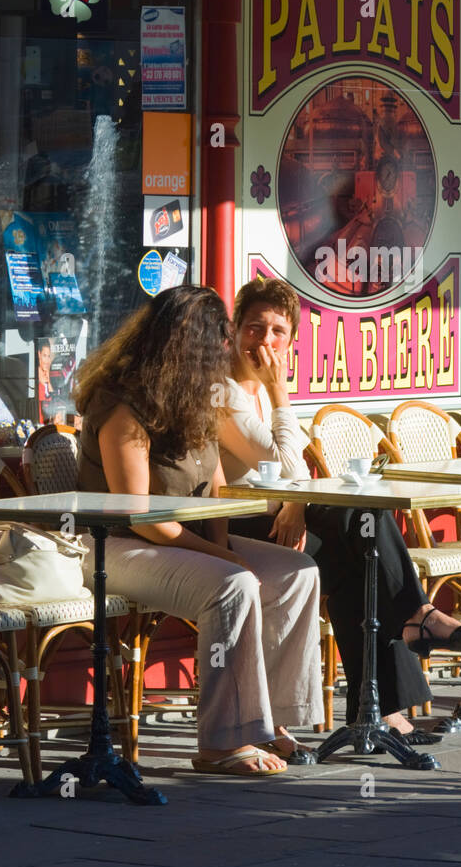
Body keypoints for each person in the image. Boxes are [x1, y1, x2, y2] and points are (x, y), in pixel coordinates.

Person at [217, 276, 461, 739]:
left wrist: (296, 502)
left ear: (291, 339)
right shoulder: (226, 393)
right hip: (231, 523)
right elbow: (285, 461)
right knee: (359, 521)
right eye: (254, 328)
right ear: (235, 329)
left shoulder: (260, 392)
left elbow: (297, 472)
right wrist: (280, 393)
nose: (264, 342)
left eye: (276, 332)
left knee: (363, 549)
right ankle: (417, 623)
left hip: (275, 519)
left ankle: (379, 710)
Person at [74, 285, 324, 776]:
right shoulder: (124, 408)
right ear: (183, 348)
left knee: (296, 571)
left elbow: (215, 488)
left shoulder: (192, 399)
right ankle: (222, 744)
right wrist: (223, 560)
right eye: (215, 344)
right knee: (232, 584)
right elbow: (140, 516)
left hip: (172, 541)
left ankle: (267, 720)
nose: (224, 354)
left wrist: (220, 544)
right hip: (112, 546)